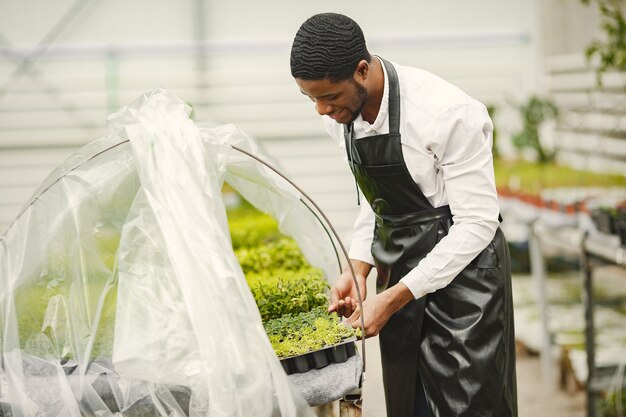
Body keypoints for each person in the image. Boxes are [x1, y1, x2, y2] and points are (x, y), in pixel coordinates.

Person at [290, 13, 517, 417]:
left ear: (361, 70)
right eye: (311, 98)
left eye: (329, 96)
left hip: (466, 283)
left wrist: (395, 297)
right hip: (398, 274)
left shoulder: (446, 114)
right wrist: (357, 268)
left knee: (469, 404)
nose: (321, 110)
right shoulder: (342, 117)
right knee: (408, 402)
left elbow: (478, 222)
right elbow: (373, 203)